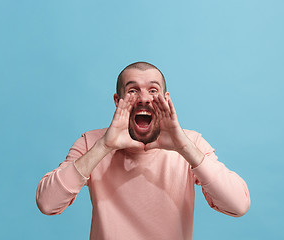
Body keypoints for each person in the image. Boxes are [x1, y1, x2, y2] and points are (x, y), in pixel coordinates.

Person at [36, 61, 250, 240]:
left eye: (153, 90)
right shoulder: (91, 142)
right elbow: (47, 203)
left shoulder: (191, 142)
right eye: (132, 90)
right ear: (117, 101)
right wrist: (104, 146)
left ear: (166, 99)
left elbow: (238, 205)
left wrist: (184, 147)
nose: (144, 98)